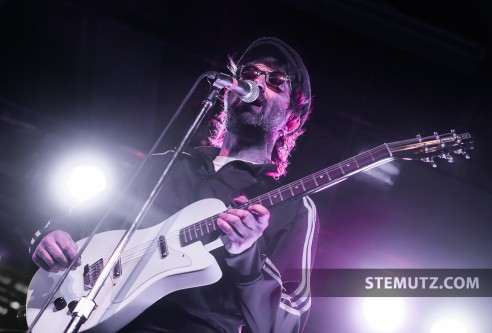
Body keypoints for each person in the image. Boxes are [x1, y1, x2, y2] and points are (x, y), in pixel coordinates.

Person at [29, 37, 319, 333]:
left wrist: (246, 255)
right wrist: (54, 233)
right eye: (248, 73)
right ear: (228, 91)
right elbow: (85, 219)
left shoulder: (294, 205)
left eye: (275, 81)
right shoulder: (163, 164)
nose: (257, 82)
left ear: (292, 117)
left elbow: (289, 321)